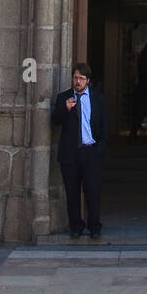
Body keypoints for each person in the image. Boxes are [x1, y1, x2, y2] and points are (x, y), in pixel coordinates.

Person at [51, 62, 107, 239]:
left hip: (90, 152)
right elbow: (54, 121)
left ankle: (94, 226)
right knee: (72, 193)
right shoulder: (64, 98)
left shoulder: (97, 99)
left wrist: (100, 148)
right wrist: (65, 109)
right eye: (75, 78)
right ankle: (75, 226)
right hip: (70, 153)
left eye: (81, 78)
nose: (78, 82)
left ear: (88, 80)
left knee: (92, 191)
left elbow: (104, 126)